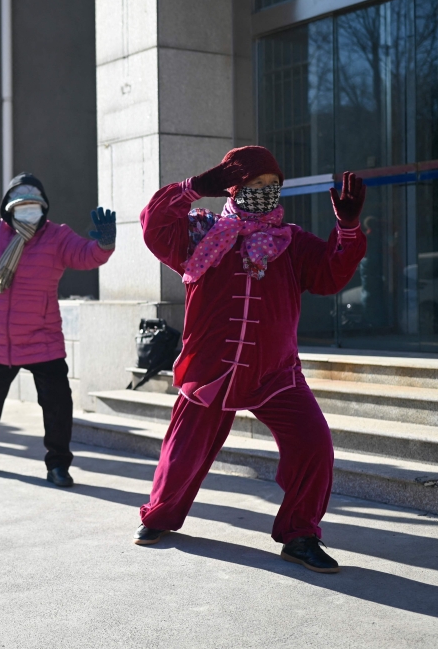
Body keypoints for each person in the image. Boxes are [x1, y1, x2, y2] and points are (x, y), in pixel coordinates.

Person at [134, 146, 366, 574]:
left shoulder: (291, 241)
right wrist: (196, 187)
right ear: (234, 188)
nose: (264, 193)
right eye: (254, 185)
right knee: (181, 455)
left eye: (272, 186)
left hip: (274, 372)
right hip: (210, 369)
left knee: (314, 444)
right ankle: (161, 517)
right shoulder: (200, 232)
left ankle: (300, 534)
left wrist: (347, 227)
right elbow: (153, 225)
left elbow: (331, 274)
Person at [0, 173, 116, 487]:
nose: (27, 210)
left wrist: (105, 244)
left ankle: (58, 465)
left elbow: (86, 256)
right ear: (8, 207)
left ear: (44, 207)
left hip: (43, 337)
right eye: (21, 205)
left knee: (57, 405)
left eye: (34, 205)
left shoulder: (57, 237)